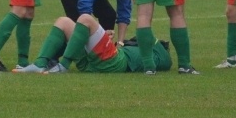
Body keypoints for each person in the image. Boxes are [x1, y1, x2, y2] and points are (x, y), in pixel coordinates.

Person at [13, 14, 171, 74]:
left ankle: (63, 65)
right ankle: (40, 64)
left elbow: (146, 35)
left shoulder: (160, 55)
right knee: (63, 21)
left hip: (115, 63)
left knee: (86, 19)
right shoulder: (140, 51)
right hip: (98, 62)